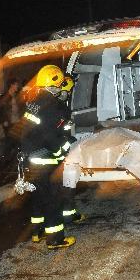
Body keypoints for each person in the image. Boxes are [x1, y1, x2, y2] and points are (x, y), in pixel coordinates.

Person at [20, 65, 76, 249]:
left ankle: (38, 232)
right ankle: (55, 239)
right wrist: (62, 151)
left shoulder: (34, 101)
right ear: (56, 83)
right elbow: (50, 136)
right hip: (45, 160)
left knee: (38, 196)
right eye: (60, 84)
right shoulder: (52, 106)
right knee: (53, 200)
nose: (61, 87)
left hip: (31, 158)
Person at [57, 75, 85, 224]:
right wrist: (71, 145)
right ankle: (68, 214)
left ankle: (69, 212)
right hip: (61, 153)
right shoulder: (61, 108)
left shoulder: (54, 106)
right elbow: (62, 132)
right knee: (67, 184)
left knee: (65, 185)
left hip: (56, 151)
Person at [0, 78, 23, 160]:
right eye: (16, 84)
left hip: (17, 122)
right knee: (10, 141)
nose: (18, 86)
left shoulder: (16, 95)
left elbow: (20, 107)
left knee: (17, 141)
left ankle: (14, 158)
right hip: (9, 123)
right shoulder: (4, 97)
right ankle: (6, 158)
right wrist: (3, 121)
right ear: (12, 85)